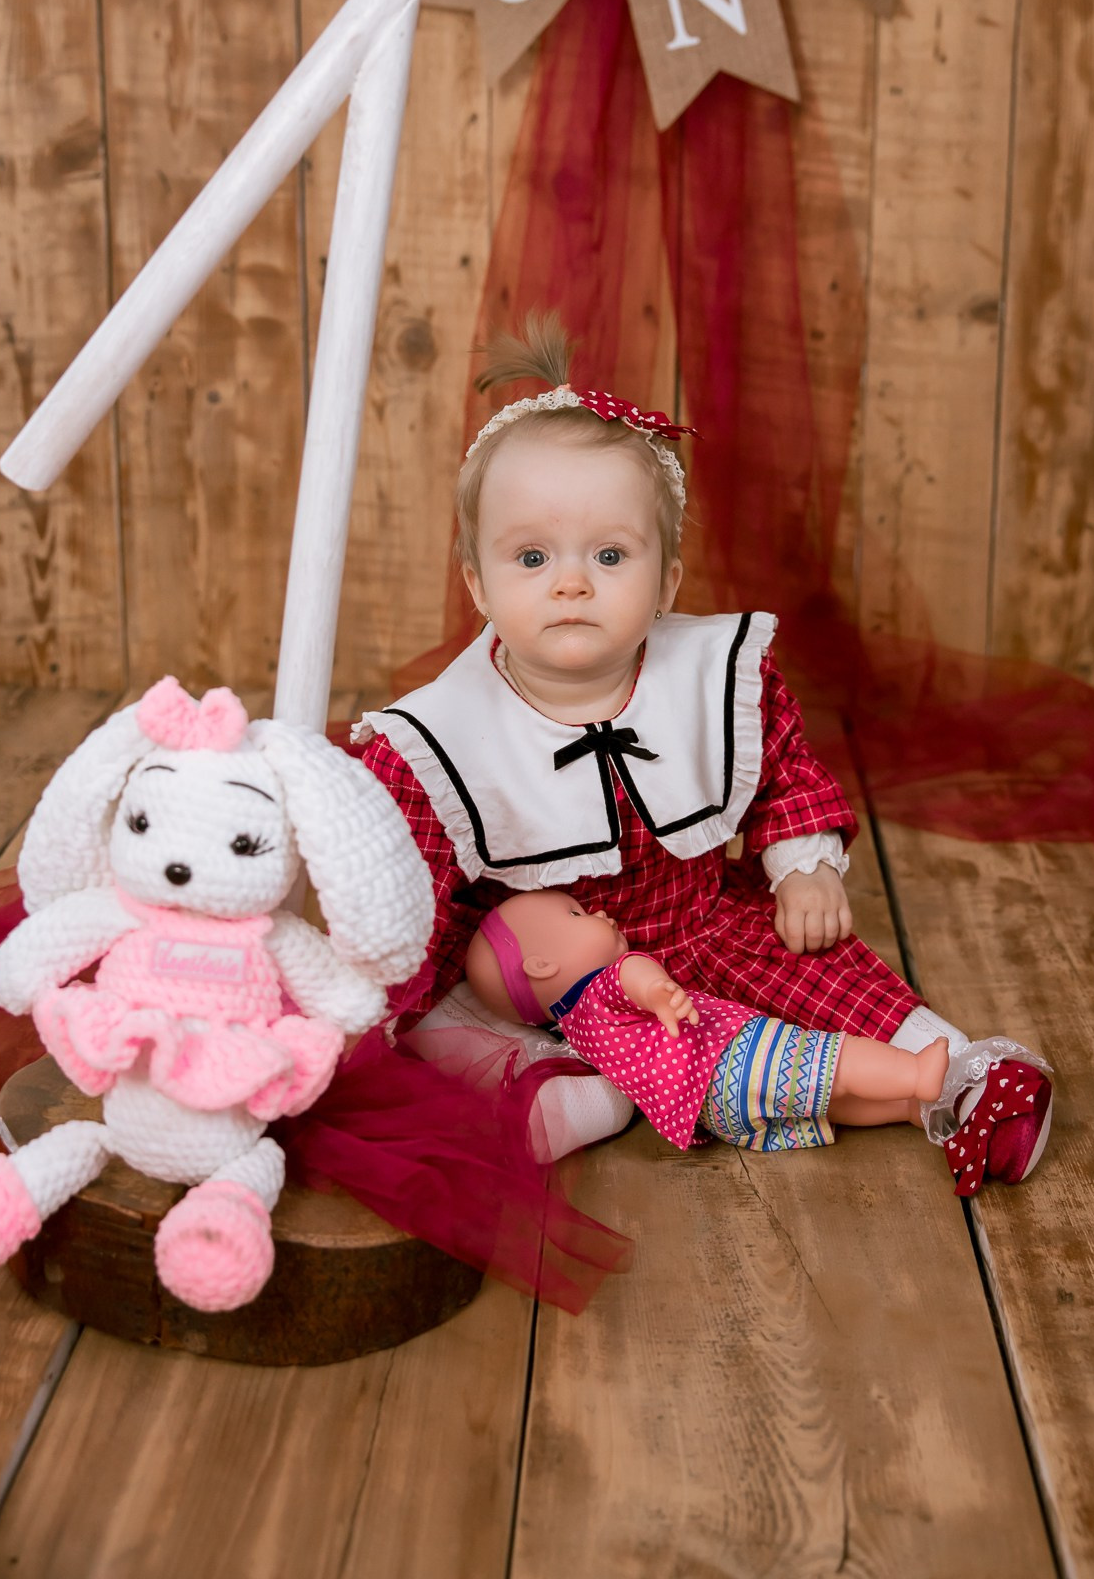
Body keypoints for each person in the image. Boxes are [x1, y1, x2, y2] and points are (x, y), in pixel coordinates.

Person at [356, 317, 1053, 1194]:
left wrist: (803, 866)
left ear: (667, 581)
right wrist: (377, 1004)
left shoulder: (713, 677)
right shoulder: (438, 736)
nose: (571, 582)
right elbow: (404, 893)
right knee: (444, 1024)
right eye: (531, 557)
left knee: (818, 973)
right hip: (545, 982)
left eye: (610, 554)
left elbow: (784, 771)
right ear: (477, 585)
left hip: (700, 921)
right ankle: (553, 1081)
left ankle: (957, 1077)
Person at [465, 890, 952, 1154]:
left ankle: (905, 1108)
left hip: (714, 1112)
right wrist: (658, 990)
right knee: (834, 1061)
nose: (600, 912)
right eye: (576, 914)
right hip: (729, 1057)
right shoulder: (606, 984)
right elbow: (634, 975)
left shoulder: (575, 1030)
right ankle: (914, 1074)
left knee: (826, 1102)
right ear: (541, 966)